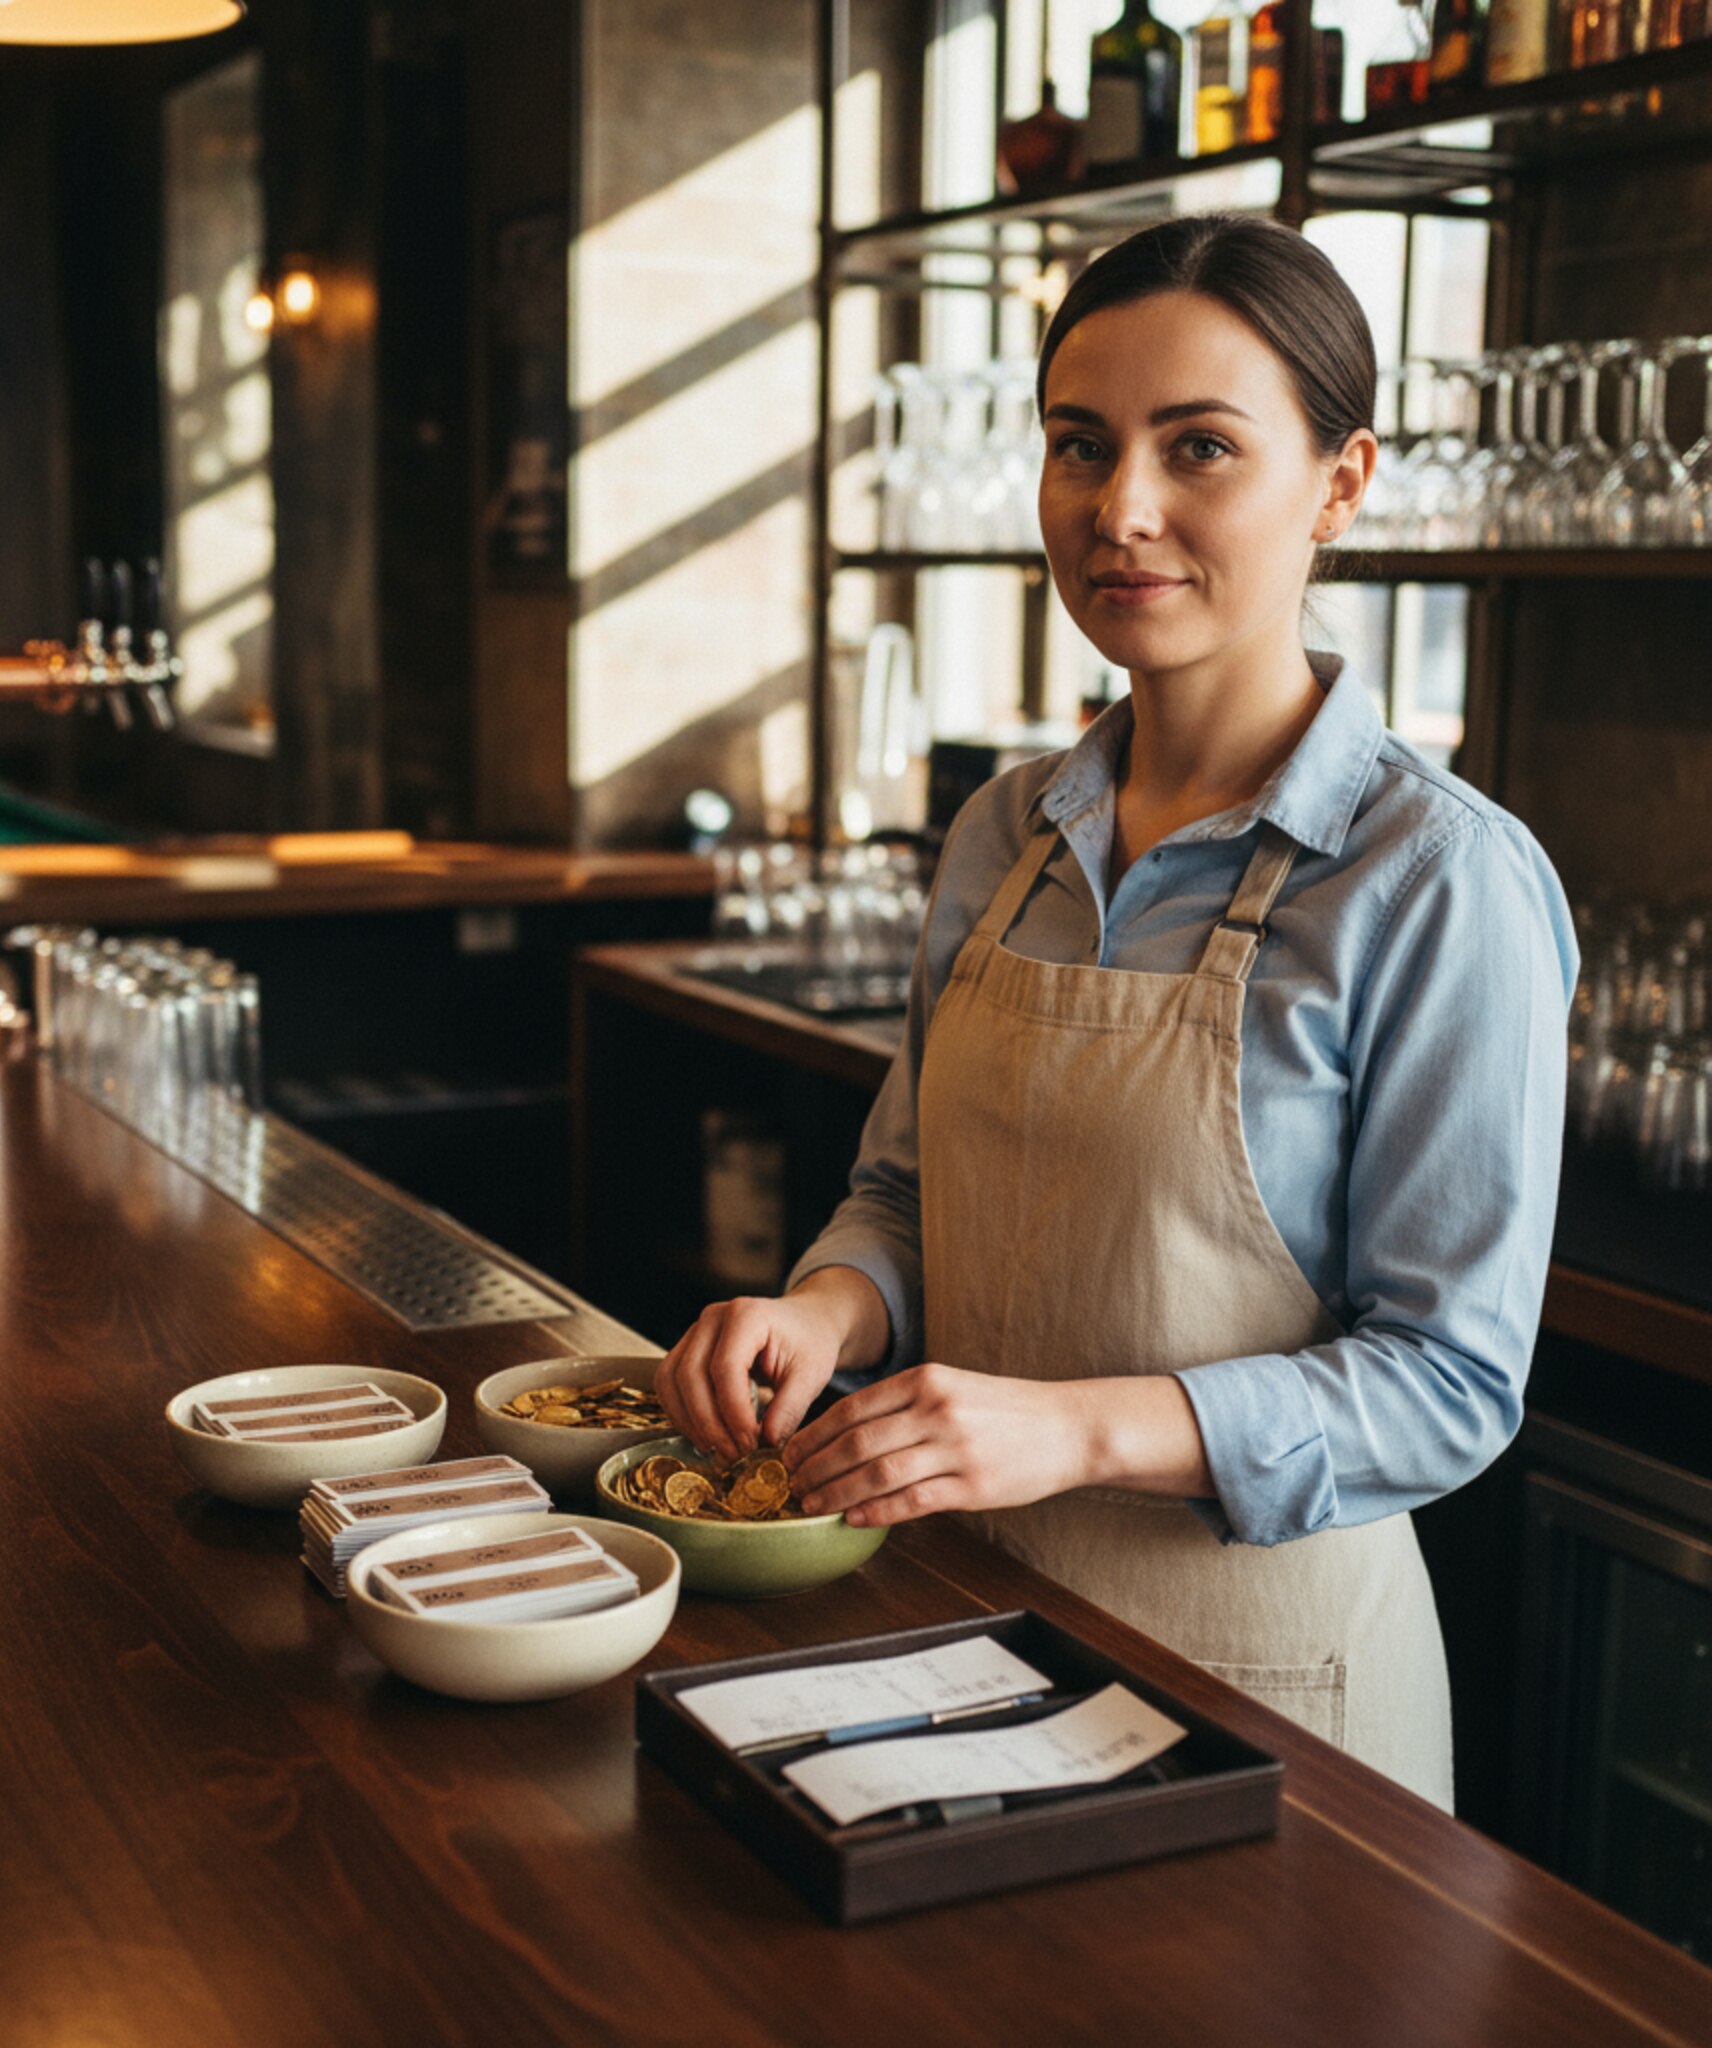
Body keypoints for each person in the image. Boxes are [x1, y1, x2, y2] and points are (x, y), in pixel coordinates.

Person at [656, 214, 1577, 1808]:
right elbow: (905, 1198)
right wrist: (826, 1310)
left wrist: (1074, 1433)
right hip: (965, 1631)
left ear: (1342, 484)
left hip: (1273, 1696)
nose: (1122, 509)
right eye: (1079, 446)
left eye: (1199, 447)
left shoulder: (1440, 880)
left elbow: (1447, 1382)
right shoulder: (1002, 836)